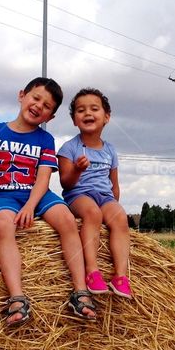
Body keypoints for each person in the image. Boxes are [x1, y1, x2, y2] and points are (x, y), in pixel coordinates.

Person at [0, 77, 97, 326]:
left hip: (38, 194)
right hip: (3, 193)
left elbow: (43, 178)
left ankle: (80, 292)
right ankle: (17, 298)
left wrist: (30, 205)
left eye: (47, 106)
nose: (39, 106)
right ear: (22, 95)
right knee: (3, 226)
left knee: (68, 220)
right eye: (35, 98)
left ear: (50, 117)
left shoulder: (44, 140)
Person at [57, 88, 132, 299]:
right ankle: (92, 270)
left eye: (94, 109)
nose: (88, 113)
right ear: (74, 120)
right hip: (78, 195)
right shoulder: (68, 148)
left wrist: (114, 207)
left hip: (105, 196)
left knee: (120, 218)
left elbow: (114, 184)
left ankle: (120, 276)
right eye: (81, 110)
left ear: (106, 117)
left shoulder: (110, 150)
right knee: (92, 214)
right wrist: (77, 169)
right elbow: (66, 182)